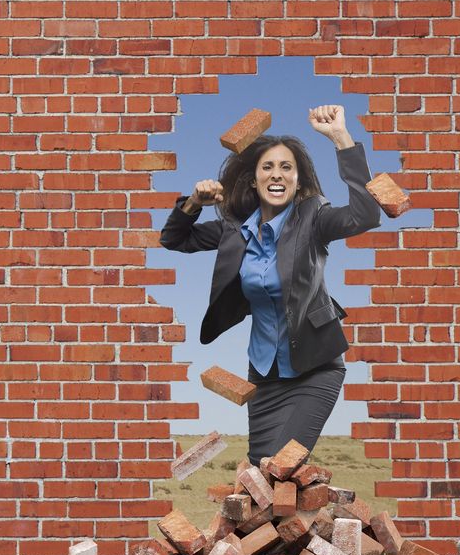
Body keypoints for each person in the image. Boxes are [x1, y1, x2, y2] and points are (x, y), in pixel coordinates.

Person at [159, 105, 383, 466]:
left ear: (298, 180)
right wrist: (194, 203)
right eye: (268, 167)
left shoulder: (314, 218)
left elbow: (365, 215)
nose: (277, 175)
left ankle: (336, 523)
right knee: (259, 476)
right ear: (253, 179)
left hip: (316, 367)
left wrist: (340, 137)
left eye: (286, 168)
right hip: (264, 374)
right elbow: (174, 239)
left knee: (282, 467)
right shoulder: (235, 230)